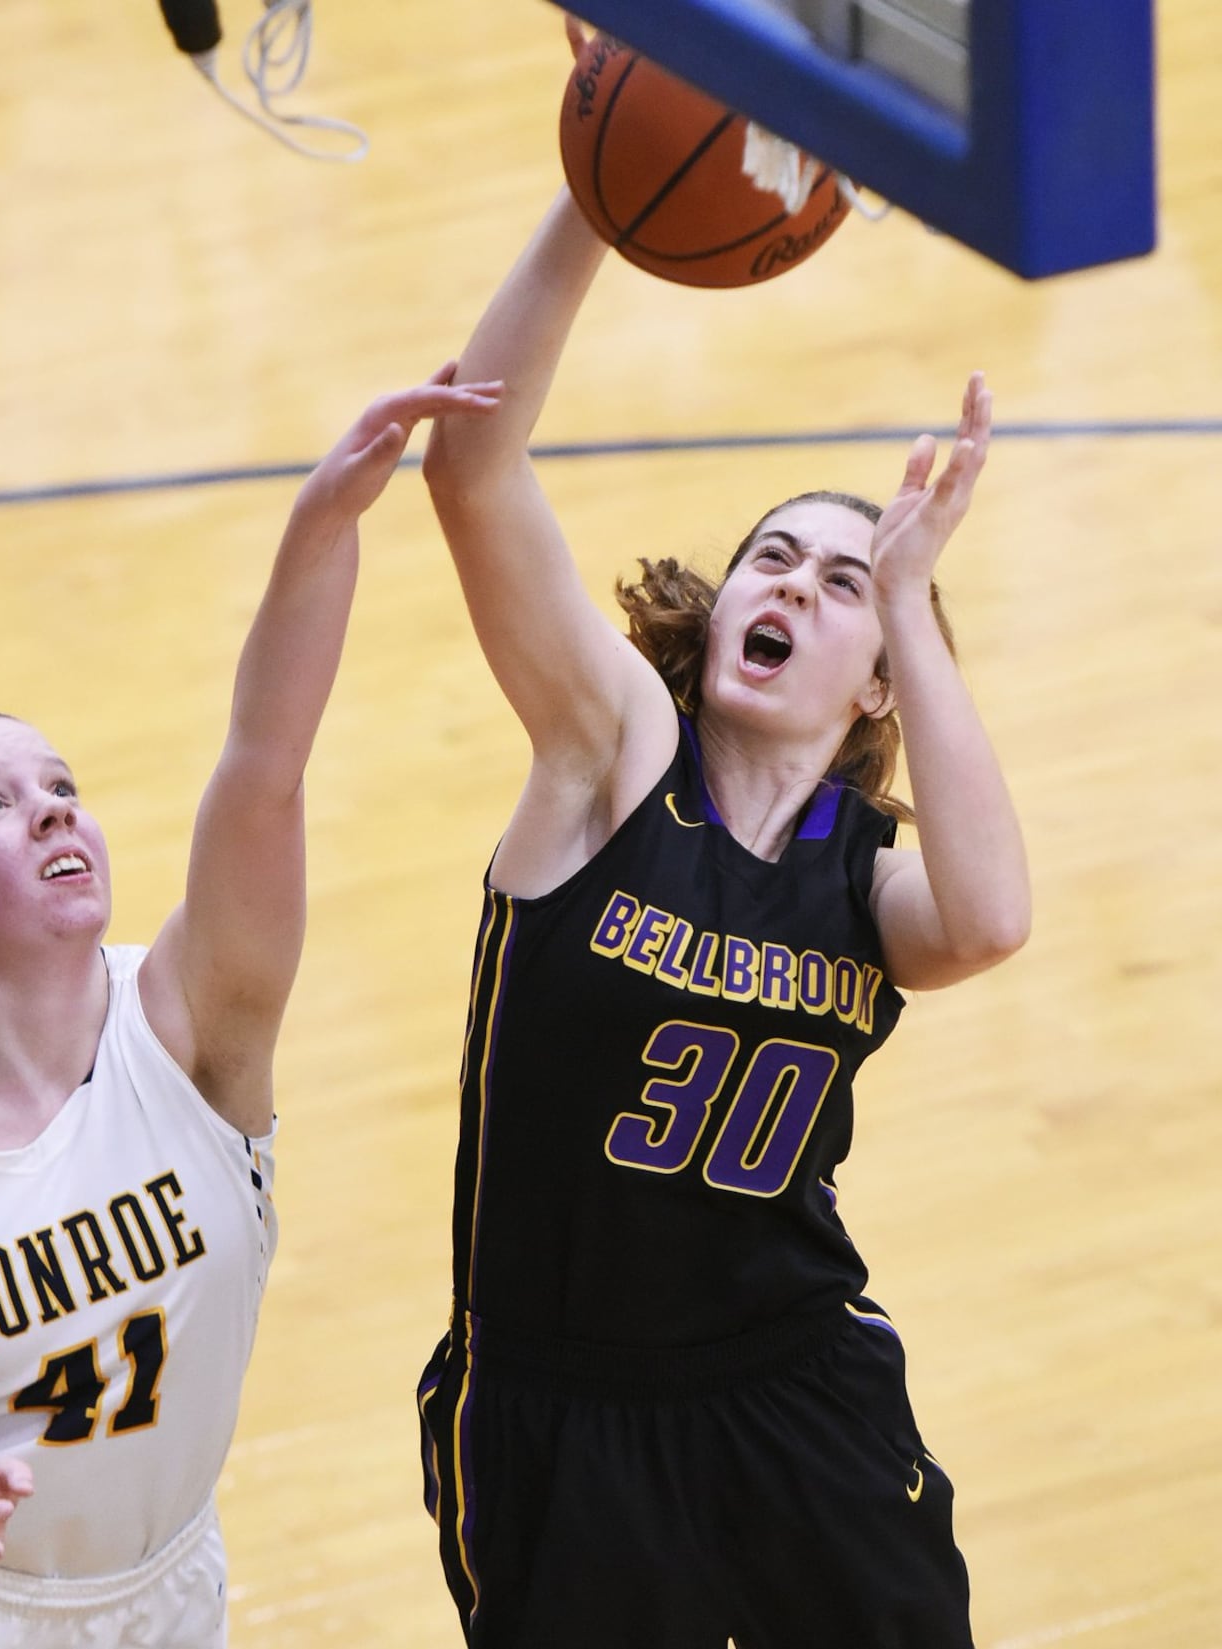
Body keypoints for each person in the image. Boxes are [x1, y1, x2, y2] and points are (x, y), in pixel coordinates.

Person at [0, 367, 501, 1649]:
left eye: (62, 781)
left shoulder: (195, 1024)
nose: (54, 805)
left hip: (155, 1596)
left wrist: (319, 530)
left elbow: (263, 770)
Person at [412, 163, 1031, 1649]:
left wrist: (916, 601)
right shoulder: (613, 757)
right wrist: (595, 191)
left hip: (796, 1384)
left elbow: (995, 916)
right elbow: (471, 470)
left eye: (842, 586)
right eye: (775, 559)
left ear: (878, 679)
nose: (797, 589)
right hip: (566, 1405)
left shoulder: (865, 878)